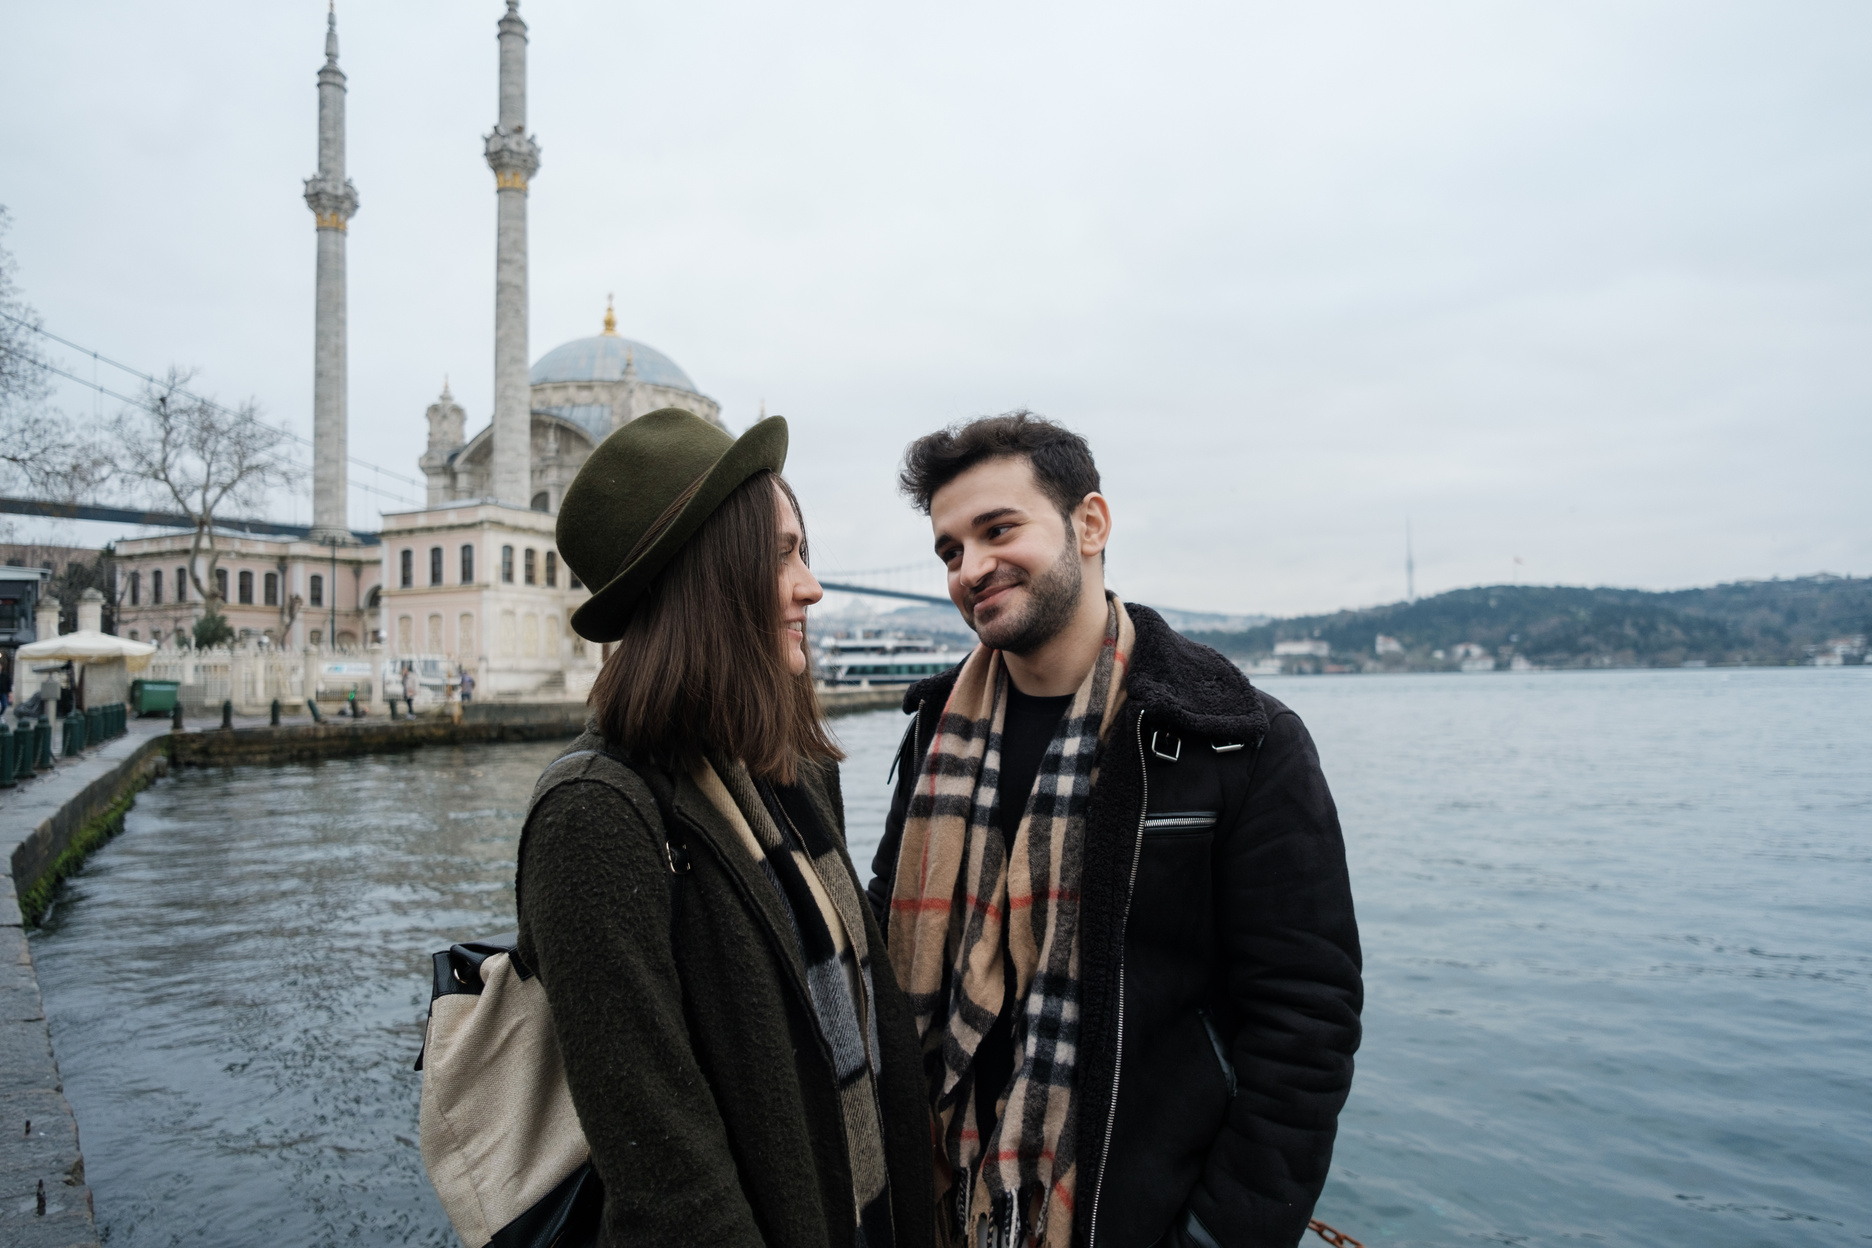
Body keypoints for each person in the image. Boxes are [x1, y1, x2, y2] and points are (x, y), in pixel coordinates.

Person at [866, 413, 1363, 1248]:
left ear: (1090, 524)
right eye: (950, 551)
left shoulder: (1236, 738)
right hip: (934, 1207)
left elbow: (1307, 1025)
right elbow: (885, 939)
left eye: (998, 530)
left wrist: (1213, 1238)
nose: (971, 568)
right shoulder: (933, 730)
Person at [516, 409, 936, 1248]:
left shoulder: (795, 769)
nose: (812, 586)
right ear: (708, 575)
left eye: (803, 551)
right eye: (782, 555)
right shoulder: (593, 821)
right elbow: (673, 1194)